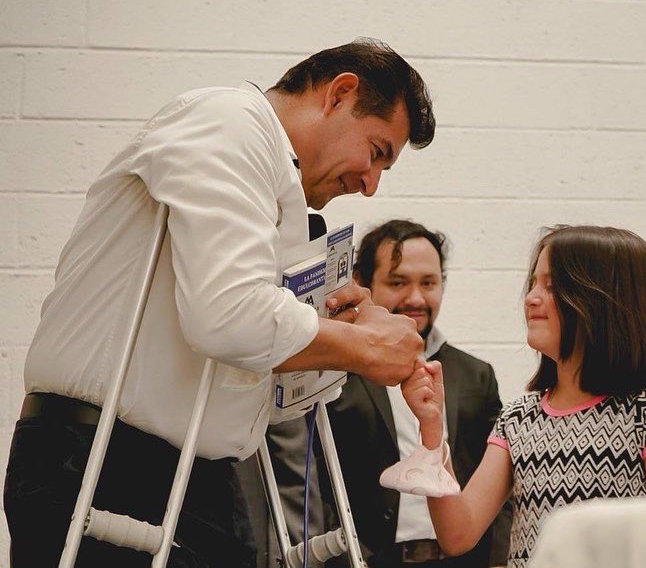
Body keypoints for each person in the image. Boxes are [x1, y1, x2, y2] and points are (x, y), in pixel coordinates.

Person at [4, 38, 436, 567]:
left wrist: (331, 324)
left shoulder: (277, 183)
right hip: (105, 462)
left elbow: (246, 344)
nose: (370, 185)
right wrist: (361, 344)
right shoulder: (230, 121)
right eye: (376, 152)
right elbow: (227, 316)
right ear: (339, 94)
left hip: (197, 475)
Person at [400, 225, 646, 568]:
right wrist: (433, 429)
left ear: (603, 302)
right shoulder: (517, 418)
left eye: (552, 287)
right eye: (533, 284)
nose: (531, 298)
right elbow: (458, 534)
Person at [313, 219, 511, 568]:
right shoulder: (332, 375)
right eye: (398, 282)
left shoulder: (477, 375)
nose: (416, 298)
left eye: (429, 283)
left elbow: (501, 484)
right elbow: (309, 479)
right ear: (364, 284)